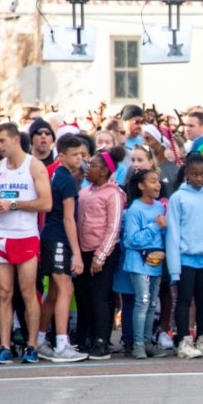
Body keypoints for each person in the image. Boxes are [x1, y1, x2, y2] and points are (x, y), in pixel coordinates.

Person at [0, 123, 53, 365]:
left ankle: (31, 345)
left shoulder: (34, 166)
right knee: (3, 293)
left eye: (2, 141)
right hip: (0, 236)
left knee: (27, 293)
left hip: (25, 236)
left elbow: (46, 203)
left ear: (15, 140)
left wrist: (13, 204)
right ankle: (5, 346)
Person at [34, 134, 88, 363]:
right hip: (58, 239)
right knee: (66, 290)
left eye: (81, 154)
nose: (79, 159)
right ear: (62, 156)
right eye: (74, 155)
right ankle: (62, 345)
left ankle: (38, 340)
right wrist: (77, 253)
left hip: (51, 238)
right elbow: (68, 219)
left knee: (54, 293)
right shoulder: (66, 179)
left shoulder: (57, 174)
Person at [167, 153, 203, 359]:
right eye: (194, 174)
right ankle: (184, 341)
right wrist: (174, 267)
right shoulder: (178, 198)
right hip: (185, 258)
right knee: (184, 299)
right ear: (187, 174)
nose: (199, 178)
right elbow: (173, 233)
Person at [75, 148, 125, 360]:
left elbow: (113, 228)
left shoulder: (113, 194)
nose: (87, 168)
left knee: (99, 298)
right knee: (84, 297)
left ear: (104, 171)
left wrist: (99, 257)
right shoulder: (84, 192)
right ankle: (85, 338)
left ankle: (101, 341)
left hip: (103, 254)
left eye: (92, 165)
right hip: (83, 252)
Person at [123, 169, 169, 359]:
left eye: (158, 181)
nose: (158, 185)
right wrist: (155, 226)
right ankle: (138, 344)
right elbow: (132, 239)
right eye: (152, 181)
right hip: (138, 262)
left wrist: (162, 230)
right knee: (142, 301)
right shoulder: (134, 209)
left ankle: (148, 342)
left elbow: (162, 234)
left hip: (156, 262)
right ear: (141, 186)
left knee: (152, 303)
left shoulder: (159, 207)